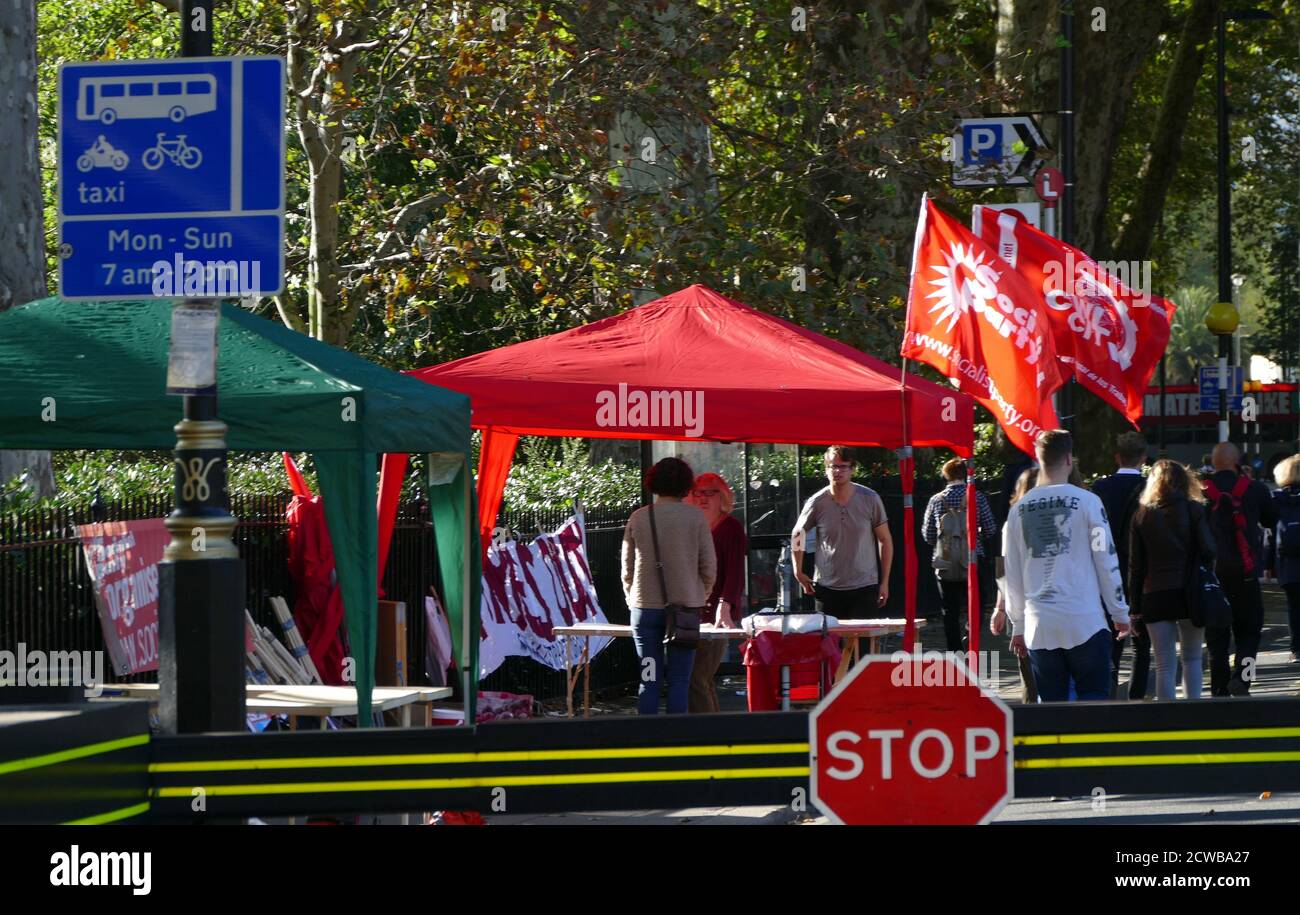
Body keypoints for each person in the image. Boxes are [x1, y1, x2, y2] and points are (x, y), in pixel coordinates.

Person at [1002, 430, 1131, 701]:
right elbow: (1105, 559)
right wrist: (1119, 611)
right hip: (1085, 621)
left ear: (1039, 460)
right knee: (1094, 698)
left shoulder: (1017, 512)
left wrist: (1018, 625)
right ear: (1069, 460)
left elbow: (1011, 575)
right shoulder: (1089, 503)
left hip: (1040, 624)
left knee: (1052, 707)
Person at [621, 457, 716, 715]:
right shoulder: (695, 518)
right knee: (679, 681)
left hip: (645, 611)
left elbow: (627, 567)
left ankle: (646, 735)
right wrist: (699, 593)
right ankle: (677, 736)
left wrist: (632, 596)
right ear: (685, 484)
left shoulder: (639, 518)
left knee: (648, 678)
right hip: (686, 610)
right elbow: (709, 566)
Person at [1128, 460, 1216, 700]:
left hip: (1155, 593)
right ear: (1186, 481)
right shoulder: (1194, 510)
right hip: (1190, 592)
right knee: (1192, 657)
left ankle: (1167, 716)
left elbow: (1136, 567)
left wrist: (1134, 608)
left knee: (1164, 664)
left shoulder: (1141, 516)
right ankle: (1192, 711)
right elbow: (1209, 550)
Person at [1202, 442, 1279, 696]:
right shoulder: (1254, 489)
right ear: (1237, 462)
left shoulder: (1202, 490)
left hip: (1214, 575)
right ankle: (1243, 679)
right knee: (1250, 632)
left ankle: (1219, 687)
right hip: (1246, 573)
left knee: (1216, 637)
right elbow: (1271, 519)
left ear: (1213, 463)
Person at [792, 446, 893, 617]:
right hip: (827, 587)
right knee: (830, 635)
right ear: (826, 469)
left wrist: (884, 582)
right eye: (833, 466)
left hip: (864, 585)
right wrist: (798, 571)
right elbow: (797, 533)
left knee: (862, 634)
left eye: (843, 466)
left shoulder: (870, 498)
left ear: (852, 469)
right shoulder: (817, 502)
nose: (837, 471)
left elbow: (885, 539)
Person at [1091, 432, 1151, 698]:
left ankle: (1109, 695)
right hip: (1141, 571)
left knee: (1109, 642)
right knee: (1141, 643)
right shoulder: (1150, 488)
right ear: (1143, 459)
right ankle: (1137, 698)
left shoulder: (1100, 489)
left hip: (1105, 569)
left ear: (1117, 457)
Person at [686, 472, 747, 713]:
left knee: (697, 677)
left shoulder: (731, 527)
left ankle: (705, 730)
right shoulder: (695, 526)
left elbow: (735, 572)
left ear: (722, 496)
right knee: (701, 678)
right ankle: (715, 727)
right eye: (698, 493)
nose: (703, 498)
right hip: (693, 611)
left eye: (710, 493)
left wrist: (725, 605)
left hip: (717, 614)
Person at [922, 458, 997, 650]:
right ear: (965, 474)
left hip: (945, 561)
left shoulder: (936, 500)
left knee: (949, 610)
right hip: (972, 559)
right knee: (977, 604)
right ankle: (970, 637)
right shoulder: (976, 497)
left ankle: (954, 651)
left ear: (946, 475)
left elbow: (928, 535)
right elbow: (990, 528)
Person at [991, 467, 1040, 703]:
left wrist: (1000, 608)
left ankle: (1031, 715)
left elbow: (1004, 571)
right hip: (1050, 607)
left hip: (1021, 607)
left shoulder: (1012, 522)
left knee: (1029, 675)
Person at [1264, 454, 1300, 663]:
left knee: (1293, 606)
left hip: (1287, 563)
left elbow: (1271, 534)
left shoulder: (1276, 499)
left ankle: (1296, 649)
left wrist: (1268, 564)